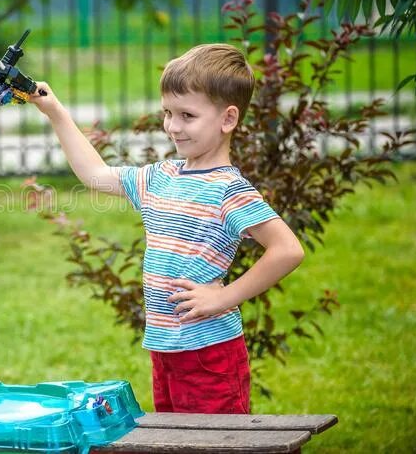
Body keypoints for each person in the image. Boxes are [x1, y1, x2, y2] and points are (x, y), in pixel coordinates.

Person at [29, 44, 304, 414]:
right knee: (174, 441)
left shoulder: (228, 189)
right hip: (165, 349)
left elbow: (287, 250)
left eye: (187, 115)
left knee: (215, 446)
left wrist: (224, 298)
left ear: (228, 119)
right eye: (168, 113)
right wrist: (55, 112)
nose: (173, 126)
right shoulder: (159, 177)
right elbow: (95, 174)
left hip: (211, 354)